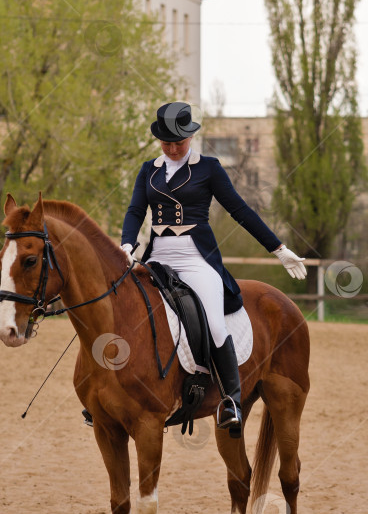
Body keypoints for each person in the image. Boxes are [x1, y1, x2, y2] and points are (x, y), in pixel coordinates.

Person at [121, 102, 306, 437]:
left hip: (196, 258)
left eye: (179, 142)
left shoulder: (208, 168)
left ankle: (230, 400)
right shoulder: (149, 169)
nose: (173, 148)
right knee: (124, 309)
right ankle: (114, 395)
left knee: (214, 323)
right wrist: (126, 244)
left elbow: (239, 210)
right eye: (167, 143)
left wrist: (278, 249)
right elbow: (136, 210)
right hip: (156, 256)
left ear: (190, 137)